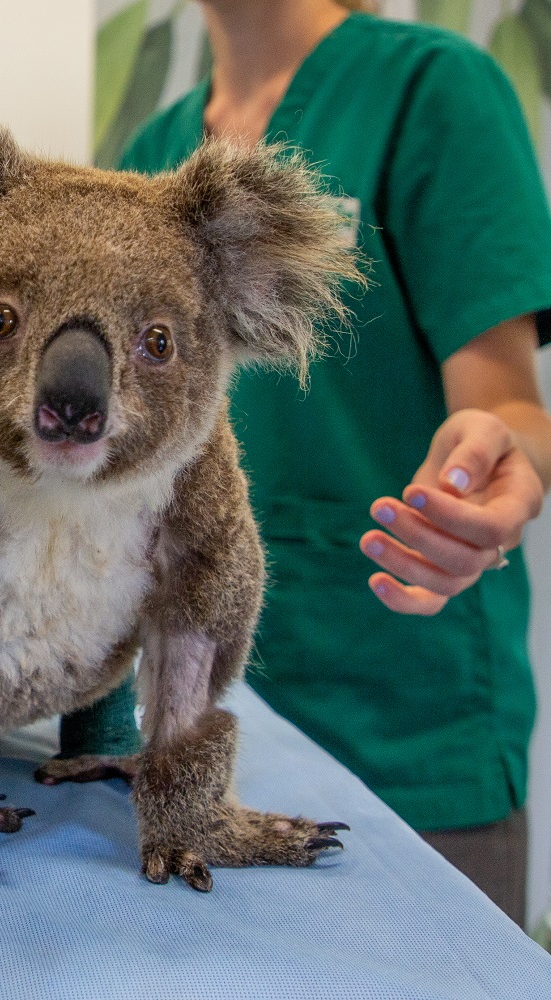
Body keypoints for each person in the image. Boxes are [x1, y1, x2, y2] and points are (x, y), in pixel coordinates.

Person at [77, 0, 551, 926]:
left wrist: (504, 466)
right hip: (184, 722)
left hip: (402, 720)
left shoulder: (430, 91)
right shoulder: (155, 150)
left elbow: (508, 407)